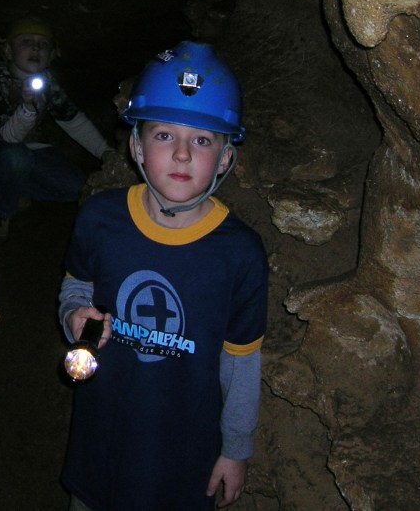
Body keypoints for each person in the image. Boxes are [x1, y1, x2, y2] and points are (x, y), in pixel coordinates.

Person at [57, 41, 269, 510]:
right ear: (135, 146)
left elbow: (241, 362)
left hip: (184, 452)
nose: (180, 155)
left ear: (226, 158)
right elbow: (75, 288)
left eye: (201, 140)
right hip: (103, 433)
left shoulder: (240, 254)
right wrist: (74, 315)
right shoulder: (101, 220)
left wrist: (235, 450)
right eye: (163, 136)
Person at [0, 18, 113, 240]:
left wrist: (106, 153)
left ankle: (15, 188)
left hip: (33, 149)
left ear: (52, 54)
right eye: (26, 42)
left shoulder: (47, 82)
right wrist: (28, 108)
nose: (35, 48)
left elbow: (73, 120)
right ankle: (1, 210)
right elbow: (8, 139)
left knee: (78, 189)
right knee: (16, 158)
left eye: (42, 44)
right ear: (8, 50)